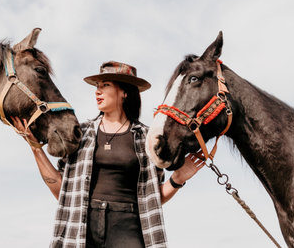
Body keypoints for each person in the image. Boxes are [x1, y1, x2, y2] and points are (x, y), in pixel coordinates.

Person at [12, 61, 205, 248]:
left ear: (124, 92)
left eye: (105, 85)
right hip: (83, 230)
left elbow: (154, 199)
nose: (98, 91)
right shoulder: (81, 133)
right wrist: (35, 148)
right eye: (97, 86)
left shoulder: (147, 138)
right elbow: (63, 192)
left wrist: (179, 178)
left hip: (128, 229)